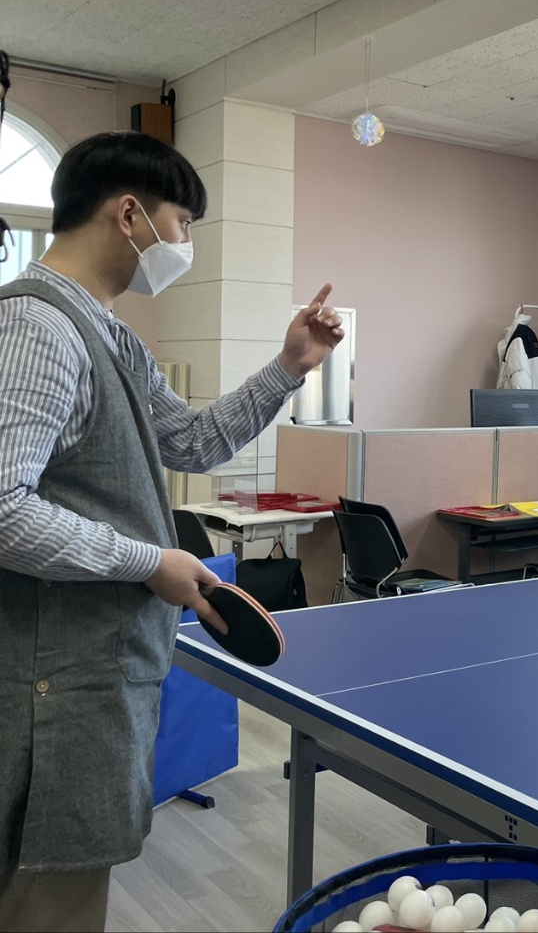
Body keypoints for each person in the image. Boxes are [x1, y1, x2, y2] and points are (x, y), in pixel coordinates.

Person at [0, 131, 344, 931]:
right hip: (55, 687)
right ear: (130, 215)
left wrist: (290, 366)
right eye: (183, 223)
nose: (185, 244)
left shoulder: (109, 331)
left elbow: (192, 441)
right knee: (51, 907)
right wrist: (150, 560)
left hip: (94, 675)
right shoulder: (38, 327)